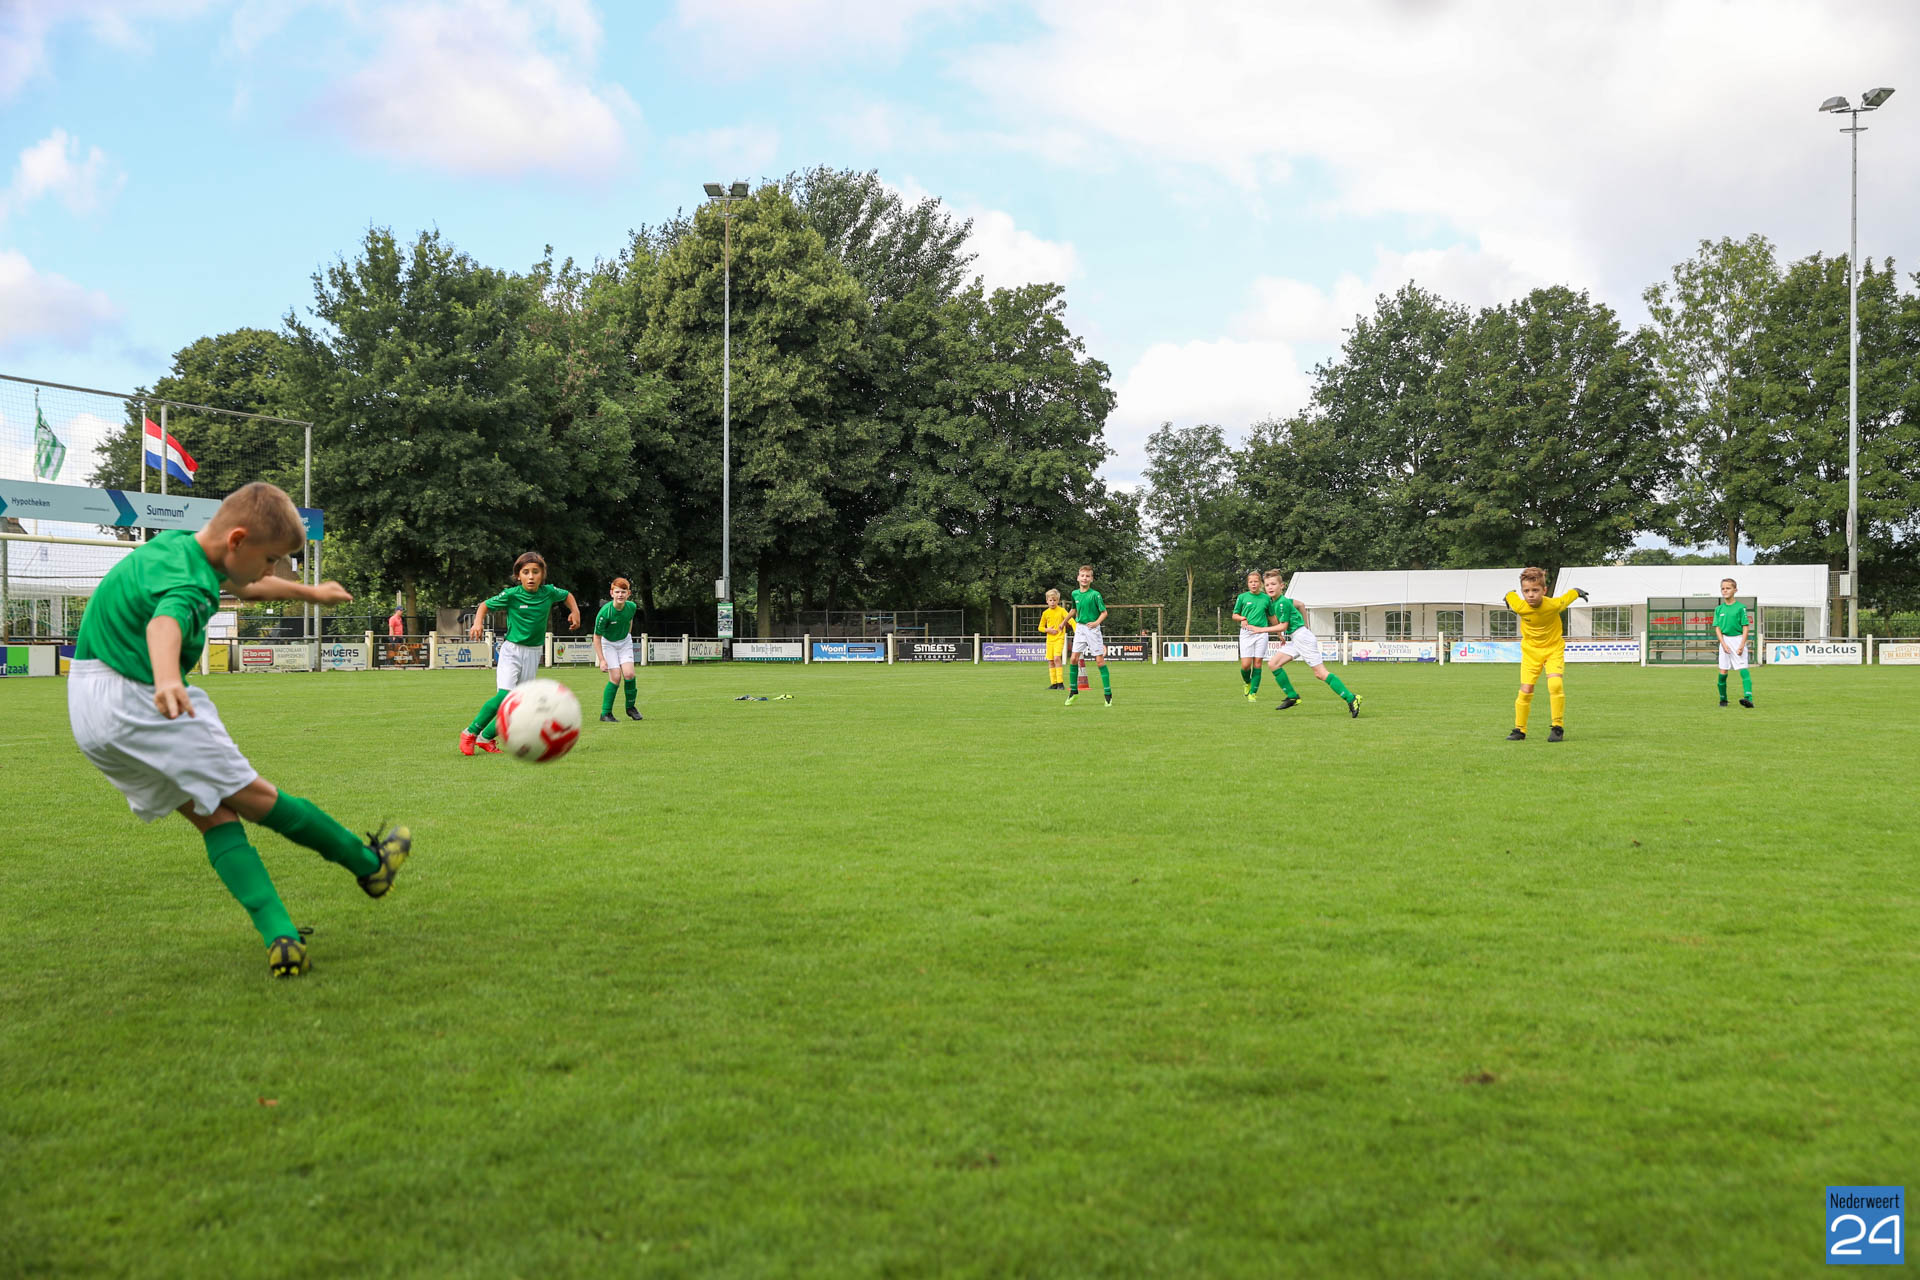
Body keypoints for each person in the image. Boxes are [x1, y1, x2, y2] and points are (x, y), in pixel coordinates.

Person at [67, 482, 410, 978]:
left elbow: (245, 587)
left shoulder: (178, 547)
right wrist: (167, 679)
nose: (271, 570)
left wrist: (310, 593)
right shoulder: (190, 584)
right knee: (257, 796)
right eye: (270, 559)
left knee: (212, 814)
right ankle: (369, 866)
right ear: (238, 540)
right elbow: (164, 624)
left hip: (89, 709)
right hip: (141, 697)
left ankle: (280, 935)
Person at [460, 552, 581, 756]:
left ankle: (485, 738)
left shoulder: (549, 592)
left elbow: (567, 595)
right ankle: (469, 733)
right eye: (526, 572)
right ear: (518, 576)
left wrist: (575, 611)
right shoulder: (511, 595)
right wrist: (478, 622)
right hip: (512, 651)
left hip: (533, 653)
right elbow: (484, 605)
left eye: (535, 572)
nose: (531, 576)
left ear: (542, 574)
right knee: (505, 695)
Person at [1504, 567, 1586, 742]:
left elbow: (1568, 597)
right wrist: (1507, 597)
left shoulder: (1553, 605)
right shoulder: (1519, 606)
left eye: (1535, 590)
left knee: (1555, 684)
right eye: (1526, 591)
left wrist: (1577, 592)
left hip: (1553, 650)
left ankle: (1557, 727)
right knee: (1526, 690)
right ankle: (1519, 729)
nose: (1530, 595)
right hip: (1530, 653)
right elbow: (1510, 595)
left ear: (1544, 590)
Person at [1261, 569, 1358, 716]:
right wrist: (1306, 626)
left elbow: (1283, 626)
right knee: (1273, 664)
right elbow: (1301, 604)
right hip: (1297, 637)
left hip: (1302, 638)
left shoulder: (1282, 603)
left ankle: (1351, 698)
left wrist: (1260, 629)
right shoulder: (1281, 602)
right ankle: (1292, 696)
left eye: (1273, 584)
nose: (1270, 587)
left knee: (1320, 673)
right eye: (1267, 585)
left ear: (1282, 586)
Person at [593, 576, 643, 723]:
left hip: (625, 642)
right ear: (611, 593)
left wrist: (627, 635)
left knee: (629, 674)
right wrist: (602, 660)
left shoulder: (632, 607)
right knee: (615, 677)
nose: (620, 595)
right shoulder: (605, 613)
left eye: (623, 592)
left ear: (628, 593)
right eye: (617, 592)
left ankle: (630, 708)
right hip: (609, 644)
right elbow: (597, 637)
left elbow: (629, 619)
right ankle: (605, 713)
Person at [1065, 563, 1112, 707]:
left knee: (1099, 661)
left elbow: (1104, 612)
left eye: (1088, 576)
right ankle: (1073, 692)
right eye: (1082, 576)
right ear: (1078, 578)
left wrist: (1096, 623)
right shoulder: (1075, 594)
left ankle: (1108, 695)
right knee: (1073, 659)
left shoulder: (1095, 595)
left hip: (1092, 629)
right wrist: (1063, 622)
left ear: (1091, 579)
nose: (1085, 578)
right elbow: (1074, 610)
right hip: (1080, 628)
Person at [1714, 577, 1754, 708]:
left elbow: (1745, 627)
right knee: (1723, 672)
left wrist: (1741, 645)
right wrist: (1723, 644)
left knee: (1743, 669)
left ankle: (1748, 698)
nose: (1725, 590)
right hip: (1724, 641)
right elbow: (1717, 628)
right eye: (1723, 588)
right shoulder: (1719, 609)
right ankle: (1723, 699)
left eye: (1728, 588)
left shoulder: (1740, 608)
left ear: (1735, 590)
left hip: (1738, 639)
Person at [1039, 589, 1072, 690]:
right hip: (1050, 640)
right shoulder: (1045, 613)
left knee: (1057, 658)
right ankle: (1053, 683)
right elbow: (1040, 627)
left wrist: (1076, 629)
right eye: (1050, 600)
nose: (1052, 602)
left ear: (1058, 601)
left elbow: (1071, 620)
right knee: (1051, 660)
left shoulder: (1062, 611)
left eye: (1054, 600)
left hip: (1059, 638)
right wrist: (1047, 630)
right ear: (1047, 601)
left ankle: (1060, 683)